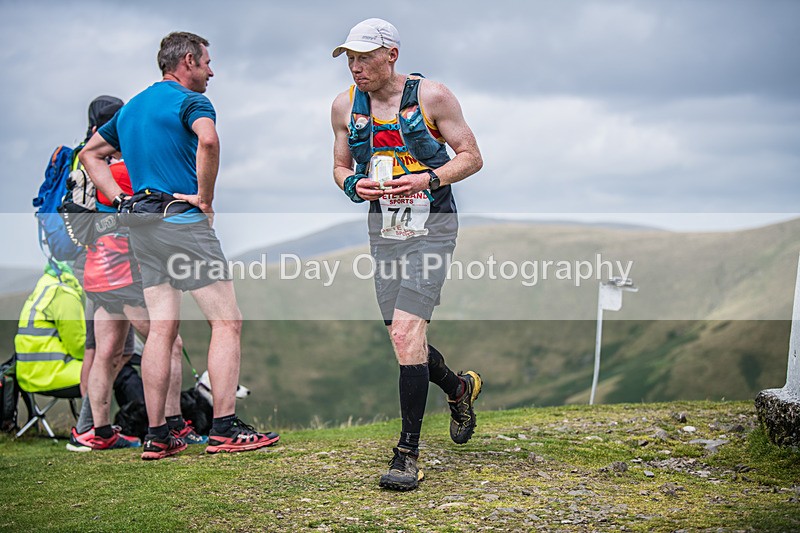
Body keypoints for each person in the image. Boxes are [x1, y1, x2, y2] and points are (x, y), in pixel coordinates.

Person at [79, 31, 279, 460]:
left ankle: (159, 435)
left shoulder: (131, 108)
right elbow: (208, 140)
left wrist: (118, 199)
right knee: (227, 322)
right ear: (187, 61)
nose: (212, 71)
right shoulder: (193, 101)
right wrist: (205, 199)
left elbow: (90, 154)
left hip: (141, 226)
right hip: (181, 221)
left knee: (163, 329)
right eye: (207, 62)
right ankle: (224, 429)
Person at [331, 18, 484, 490]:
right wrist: (355, 184)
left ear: (391, 55)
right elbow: (338, 167)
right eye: (350, 58)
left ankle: (406, 455)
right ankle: (459, 389)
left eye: (364, 57)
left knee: (405, 333)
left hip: (433, 227)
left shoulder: (432, 97)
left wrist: (428, 179)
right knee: (403, 339)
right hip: (385, 230)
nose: (356, 67)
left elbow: (471, 155)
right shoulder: (343, 106)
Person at [68, 156, 204, 452]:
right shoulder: (135, 170)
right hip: (125, 271)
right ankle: (172, 424)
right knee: (169, 343)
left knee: (109, 352)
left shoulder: (103, 173)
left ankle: (99, 431)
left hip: (98, 270)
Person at [14, 262, 85, 397]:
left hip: (28, 375)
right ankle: (134, 416)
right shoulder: (64, 294)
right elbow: (78, 346)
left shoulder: (44, 289)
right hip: (53, 375)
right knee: (116, 372)